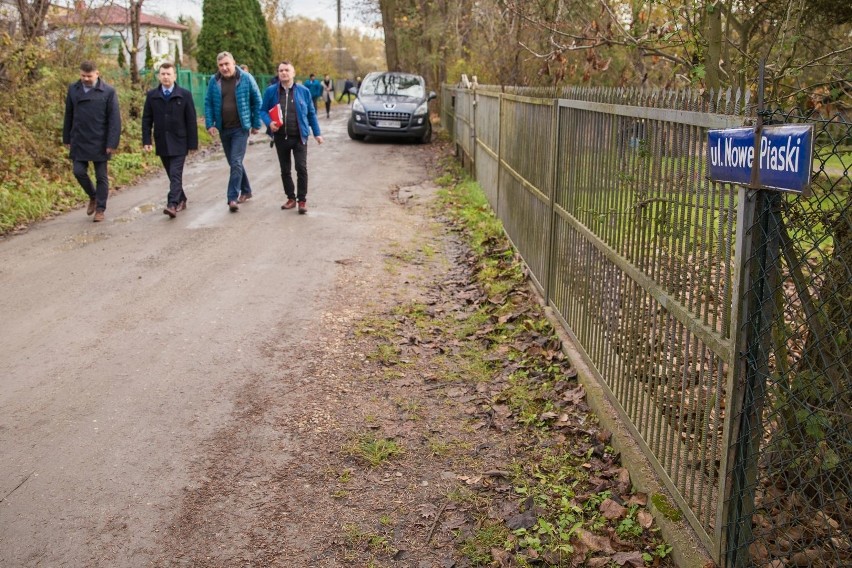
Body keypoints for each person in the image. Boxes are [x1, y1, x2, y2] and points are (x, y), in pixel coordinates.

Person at [261, 61, 323, 215]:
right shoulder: (271, 92)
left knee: (301, 168)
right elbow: (262, 111)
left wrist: (317, 133)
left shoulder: (303, 91)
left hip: (299, 137)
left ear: (293, 73)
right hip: (281, 137)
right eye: (281, 70)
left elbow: (311, 113)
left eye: (287, 70)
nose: (283, 73)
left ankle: (302, 200)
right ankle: (290, 198)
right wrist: (270, 123)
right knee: (285, 169)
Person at [62, 60, 121, 223]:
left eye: (89, 76)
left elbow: (114, 119)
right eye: (83, 75)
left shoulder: (108, 91)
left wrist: (112, 142)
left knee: (101, 176)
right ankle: (93, 196)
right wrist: (66, 137)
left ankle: (100, 209)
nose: (86, 79)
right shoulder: (73, 90)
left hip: (100, 140)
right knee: (78, 171)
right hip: (79, 138)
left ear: (97, 73)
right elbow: (69, 114)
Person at [204, 51, 263, 213]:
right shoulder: (214, 81)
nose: (224, 68)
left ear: (233, 63)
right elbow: (208, 103)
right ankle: (246, 190)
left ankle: (232, 197)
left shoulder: (245, 78)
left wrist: (256, 123)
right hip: (224, 128)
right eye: (221, 65)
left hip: (241, 128)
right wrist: (210, 124)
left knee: (236, 161)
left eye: (227, 64)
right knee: (233, 162)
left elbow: (257, 101)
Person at [142, 61, 198, 218]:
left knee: (175, 173)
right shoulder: (152, 96)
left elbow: (191, 120)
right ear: (159, 76)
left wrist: (193, 144)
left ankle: (172, 204)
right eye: (163, 74)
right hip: (162, 141)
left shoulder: (184, 95)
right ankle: (182, 198)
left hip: (180, 141)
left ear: (174, 76)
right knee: (171, 174)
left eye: (168, 74)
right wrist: (147, 141)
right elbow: (147, 120)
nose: (165, 77)